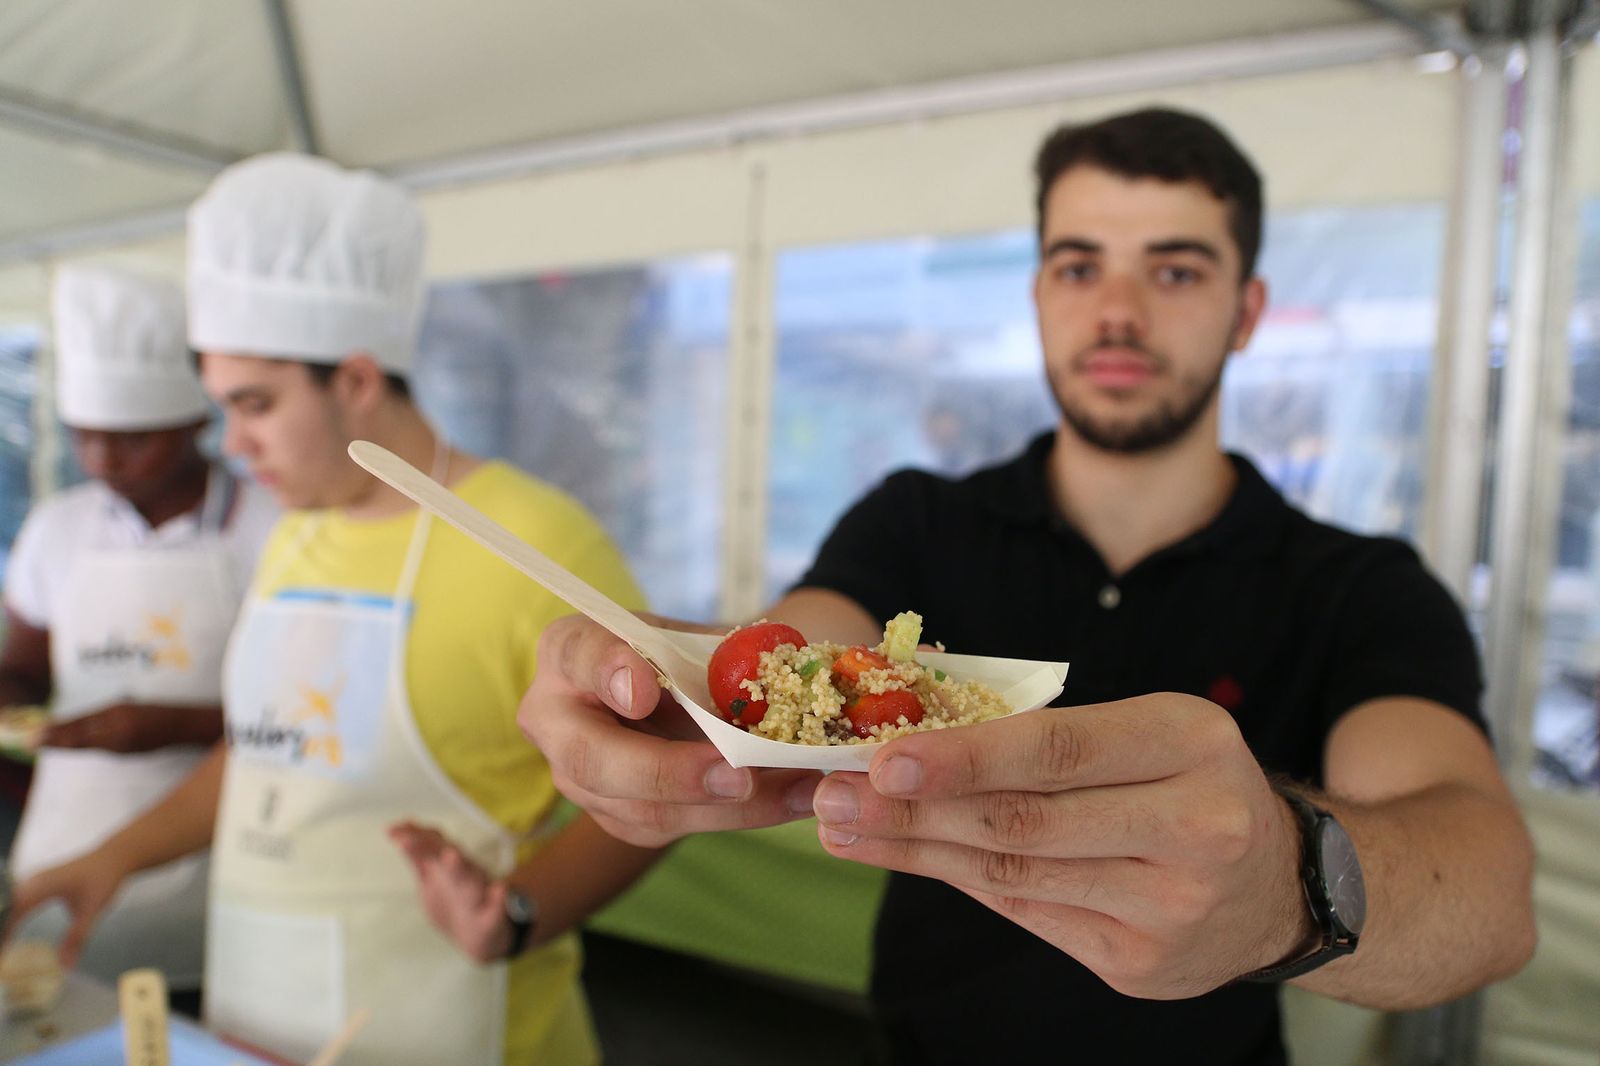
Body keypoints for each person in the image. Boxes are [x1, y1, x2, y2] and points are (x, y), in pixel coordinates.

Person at [516, 108, 1537, 1065]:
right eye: (1079, 266)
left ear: (1247, 311)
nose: (1118, 312)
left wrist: (1287, 882)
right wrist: (683, 680)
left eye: (1175, 270)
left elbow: (1489, 898)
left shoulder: (1357, 588)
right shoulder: (916, 520)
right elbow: (803, 656)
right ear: (1039, 292)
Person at [6, 154, 661, 1065]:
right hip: (261, 1012)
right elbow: (270, 753)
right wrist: (112, 857)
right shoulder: (298, 532)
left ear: (355, 380)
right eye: (224, 408)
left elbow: (666, 772)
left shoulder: (534, 542)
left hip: (465, 1028)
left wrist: (521, 911)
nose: (236, 444)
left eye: (257, 405)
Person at [0, 265, 277, 1005]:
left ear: (193, 421)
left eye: (131, 438)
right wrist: (12, 704)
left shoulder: (269, 526)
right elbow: (22, 668)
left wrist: (171, 726)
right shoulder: (57, 528)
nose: (102, 460)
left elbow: (304, 718)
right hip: (61, 854)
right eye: (85, 436)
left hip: (208, 873)